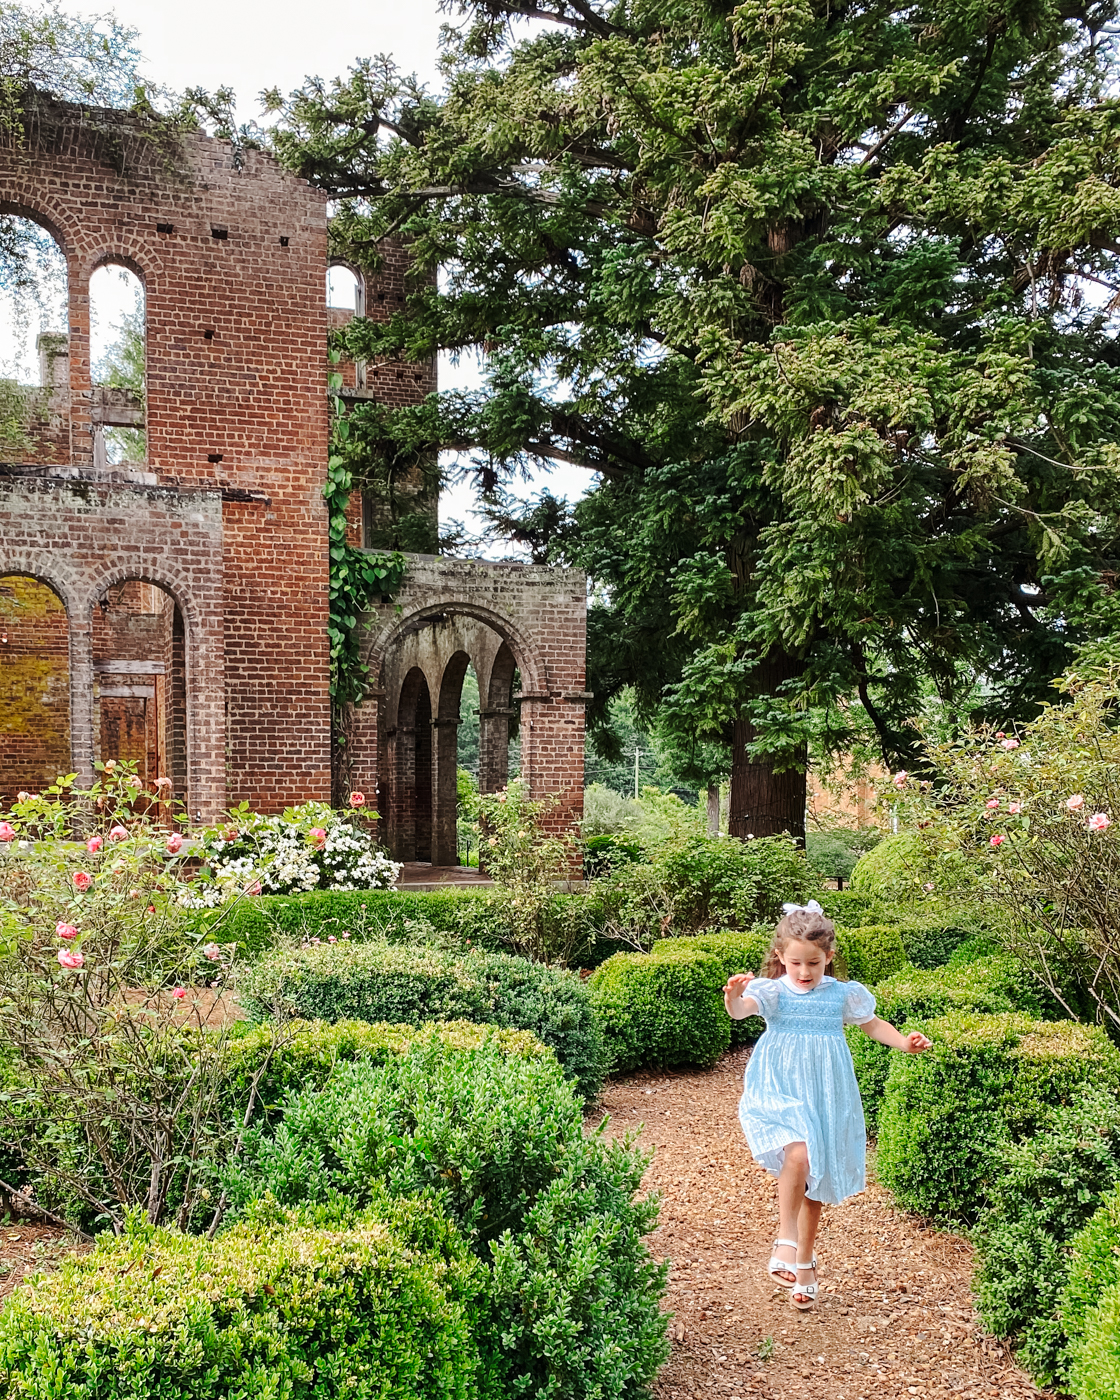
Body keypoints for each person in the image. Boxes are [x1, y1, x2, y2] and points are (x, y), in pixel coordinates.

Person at [723, 900, 931, 1311]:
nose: (803, 973)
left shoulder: (842, 995)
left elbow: (873, 1025)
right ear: (780, 957)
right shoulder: (773, 991)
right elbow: (740, 1012)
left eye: (813, 964)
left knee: (814, 1183)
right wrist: (733, 996)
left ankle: (805, 1262)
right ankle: (784, 1241)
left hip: (826, 1092)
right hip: (779, 1087)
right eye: (795, 962)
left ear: (828, 958)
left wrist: (904, 1041)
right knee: (797, 1154)